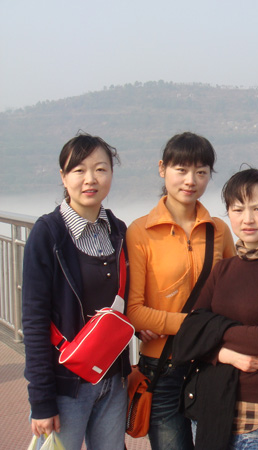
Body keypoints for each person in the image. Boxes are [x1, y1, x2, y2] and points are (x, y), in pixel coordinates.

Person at [173, 168, 258, 449]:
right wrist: (225, 354)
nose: (247, 219)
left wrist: (212, 331)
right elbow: (187, 335)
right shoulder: (223, 269)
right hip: (210, 405)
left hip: (257, 415)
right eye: (237, 210)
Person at [126, 132, 236, 450]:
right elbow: (134, 312)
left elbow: (236, 293)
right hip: (162, 367)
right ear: (162, 168)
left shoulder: (219, 230)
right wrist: (199, 326)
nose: (191, 180)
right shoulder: (140, 231)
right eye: (181, 170)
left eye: (201, 172)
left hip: (210, 363)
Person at [22, 133, 130, 450]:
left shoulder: (118, 230)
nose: (90, 179)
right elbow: (34, 320)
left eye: (100, 169)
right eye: (79, 170)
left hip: (113, 379)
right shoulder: (48, 233)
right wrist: (41, 400)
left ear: (111, 174)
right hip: (66, 385)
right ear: (63, 176)